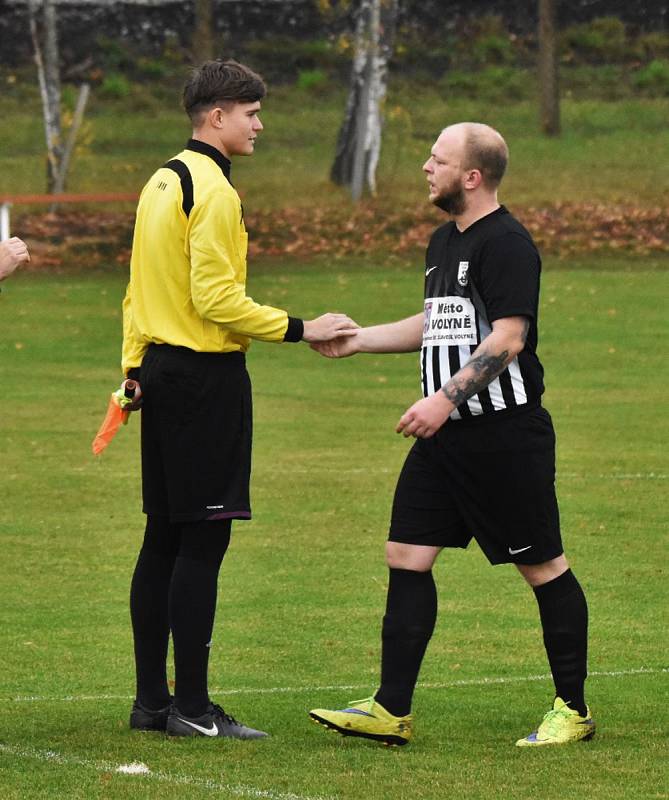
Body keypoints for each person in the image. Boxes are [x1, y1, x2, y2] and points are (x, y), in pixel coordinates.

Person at [308, 122, 594, 748]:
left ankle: (572, 709)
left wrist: (443, 398)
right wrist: (361, 340)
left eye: (437, 160)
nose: (424, 167)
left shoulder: (508, 243)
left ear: (472, 176)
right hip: (445, 443)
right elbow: (439, 322)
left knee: (542, 566)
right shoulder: (444, 240)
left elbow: (509, 336)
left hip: (504, 438)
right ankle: (391, 709)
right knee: (406, 556)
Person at [121, 59, 357, 740]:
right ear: (216, 115)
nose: (259, 124)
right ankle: (192, 709)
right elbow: (215, 299)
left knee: (162, 536)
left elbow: (139, 291)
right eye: (250, 112)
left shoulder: (161, 179)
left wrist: (134, 367)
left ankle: (151, 704)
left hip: (161, 373)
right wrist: (300, 328)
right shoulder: (213, 190)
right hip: (203, 380)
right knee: (202, 541)